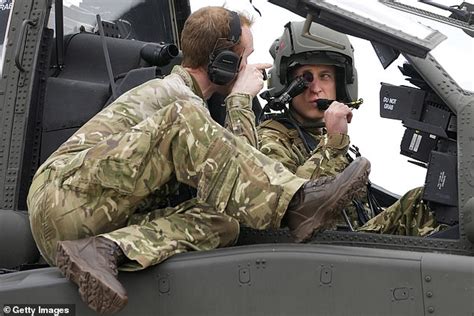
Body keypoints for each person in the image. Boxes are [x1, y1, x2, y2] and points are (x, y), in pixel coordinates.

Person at [27, 8, 370, 314]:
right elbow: (243, 166)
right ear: (223, 64)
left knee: (227, 221)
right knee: (186, 119)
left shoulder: (194, 109)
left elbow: (237, 190)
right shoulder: (174, 94)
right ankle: (298, 204)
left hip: (92, 220)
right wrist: (238, 99)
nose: (250, 69)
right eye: (244, 59)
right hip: (62, 194)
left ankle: (105, 249)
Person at [258, 20, 445, 236]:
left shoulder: (323, 138)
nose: (316, 88)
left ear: (340, 83)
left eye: (325, 76)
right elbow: (294, 209)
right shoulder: (271, 138)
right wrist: (335, 140)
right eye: (305, 78)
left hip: (348, 244)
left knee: (426, 202)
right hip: (317, 252)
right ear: (286, 85)